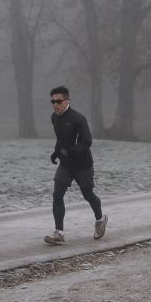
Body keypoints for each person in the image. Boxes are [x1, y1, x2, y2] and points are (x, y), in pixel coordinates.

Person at [44, 85, 107, 245]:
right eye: (52, 101)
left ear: (67, 101)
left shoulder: (78, 119)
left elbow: (87, 141)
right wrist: (56, 152)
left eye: (58, 101)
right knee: (57, 195)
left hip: (82, 165)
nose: (55, 104)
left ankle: (100, 220)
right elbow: (61, 139)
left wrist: (71, 151)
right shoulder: (54, 117)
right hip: (65, 165)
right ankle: (59, 233)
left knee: (87, 194)